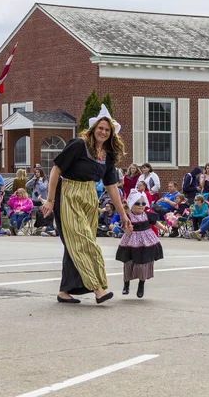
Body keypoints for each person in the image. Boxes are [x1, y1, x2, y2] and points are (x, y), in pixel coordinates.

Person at [40, 104, 132, 304]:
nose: (103, 132)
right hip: (69, 194)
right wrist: (50, 198)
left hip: (90, 197)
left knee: (76, 244)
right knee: (84, 243)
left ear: (112, 133)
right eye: (100, 128)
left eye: (107, 130)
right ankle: (98, 289)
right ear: (93, 129)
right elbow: (56, 169)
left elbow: (111, 186)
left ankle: (65, 290)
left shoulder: (107, 155)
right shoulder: (78, 145)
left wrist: (123, 215)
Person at [116, 190, 165, 298]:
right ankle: (126, 284)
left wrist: (163, 227)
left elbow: (155, 222)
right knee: (128, 263)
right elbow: (124, 228)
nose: (141, 206)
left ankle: (141, 285)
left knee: (144, 263)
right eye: (138, 203)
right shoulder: (128, 217)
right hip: (131, 241)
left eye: (143, 203)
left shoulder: (147, 215)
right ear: (131, 205)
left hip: (146, 242)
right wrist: (127, 230)